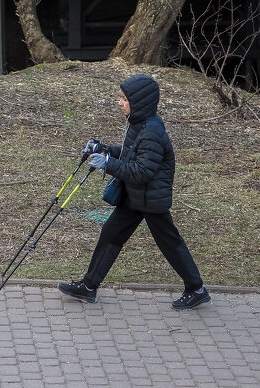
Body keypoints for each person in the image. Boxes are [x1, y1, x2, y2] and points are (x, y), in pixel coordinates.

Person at [58, 73, 211, 310]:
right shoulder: (138, 124)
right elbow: (130, 153)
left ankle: (196, 289)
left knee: (170, 243)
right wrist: (105, 149)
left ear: (138, 102)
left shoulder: (152, 131)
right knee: (110, 235)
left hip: (150, 199)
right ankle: (88, 287)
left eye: (124, 99)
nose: (119, 102)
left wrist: (107, 164)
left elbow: (141, 172)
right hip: (135, 197)